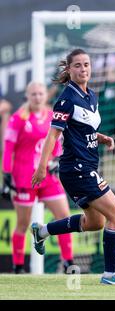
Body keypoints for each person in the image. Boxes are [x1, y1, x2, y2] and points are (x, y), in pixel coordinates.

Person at [30, 48, 115, 285]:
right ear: (69, 69)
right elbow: (53, 136)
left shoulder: (91, 96)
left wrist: (101, 137)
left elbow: (83, 131)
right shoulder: (66, 99)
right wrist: (42, 166)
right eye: (77, 65)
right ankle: (110, 275)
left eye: (86, 64)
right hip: (77, 169)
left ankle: (43, 231)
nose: (83, 69)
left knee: (95, 223)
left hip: (86, 166)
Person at [2, 82, 74, 274]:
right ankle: (18, 267)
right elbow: (8, 148)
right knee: (22, 224)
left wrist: (57, 160)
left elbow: (57, 142)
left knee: (64, 216)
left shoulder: (51, 115)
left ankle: (68, 263)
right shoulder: (18, 118)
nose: (37, 97)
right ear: (27, 96)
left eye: (40, 93)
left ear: (45, 95)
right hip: (24, 177)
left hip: (48, 176)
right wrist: (6, 173)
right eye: (33, 94)